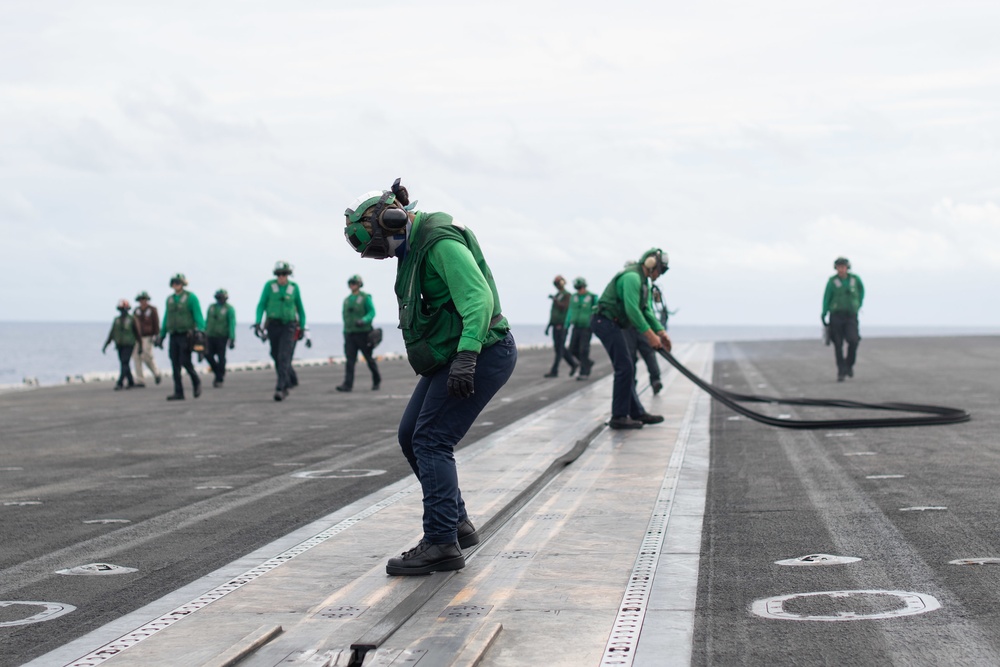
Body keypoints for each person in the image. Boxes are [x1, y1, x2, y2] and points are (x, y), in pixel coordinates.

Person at [343, 178, 516, 576]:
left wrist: (467, 357)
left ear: (390, 221)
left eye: (378, 247)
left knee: (432, 439)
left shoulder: (440, 243)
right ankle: (456, 523)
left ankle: (441, 542)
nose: (383, 256)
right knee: (411, 435)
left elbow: (478, 299)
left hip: (482, 350)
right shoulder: (414, 244)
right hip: (459, 353)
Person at [591, 248, 672, 429]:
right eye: (662, 269)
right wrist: (650, 335)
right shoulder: (632, 278)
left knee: (627, 366)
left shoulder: (644, 282)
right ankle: (619, 416)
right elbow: (632, 310)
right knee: (625, 367)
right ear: (651, 264)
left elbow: (645, 310)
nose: (661, 273)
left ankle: (636, 412)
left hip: (613, 323)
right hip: (604, 321)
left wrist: (660, 332)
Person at [255, 261, 306, 401]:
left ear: (288, 275)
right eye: (279, 274)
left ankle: (281, 388)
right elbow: (261, 305)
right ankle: (289, 379)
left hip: (289, 326)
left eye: (284, 274)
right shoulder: (269, 286)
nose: (281, 277)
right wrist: (258, 322)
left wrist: (302, 326)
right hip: (273, 325)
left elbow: (300, 309)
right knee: (275, 354)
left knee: (284, 356)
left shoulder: (294, 288)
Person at [158, 274, 205, 400]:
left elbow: (198, 315)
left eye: (178, 282)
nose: (176, 285)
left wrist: (201, 330)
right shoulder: (170, 299)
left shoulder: (191, 297)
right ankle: (178, 392)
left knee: (185, 361)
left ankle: (196, 381)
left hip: (186, 335)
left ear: (183, 283)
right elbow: (166, 317)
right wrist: (161, 335)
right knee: (174, 363)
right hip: (173, 335)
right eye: (174, 282)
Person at [336, 275, 382, 392]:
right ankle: (347, 384)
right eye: (351, 283)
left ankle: (377, 380)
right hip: (349, 334)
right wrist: (345, 332)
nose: (353, 285)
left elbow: (372, 312)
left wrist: (364, 320)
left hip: (363, 333)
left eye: (355, 283)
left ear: (359, 284)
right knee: (350, 361)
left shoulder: (365, 297)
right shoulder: (347, 300)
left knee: (368, 358)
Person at [822, 257, 864, 382]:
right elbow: (827, 297)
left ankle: (849, 364)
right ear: (836, 268)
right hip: (836, 316)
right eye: (839, 266)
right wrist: (824, 312)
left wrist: (858, 305)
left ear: (847, 267)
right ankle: (841, 371)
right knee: (838, 344)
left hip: (851, 315)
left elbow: (861, 292)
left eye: (843, 266)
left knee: (853, 340)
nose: (841, 269)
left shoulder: (854, 280)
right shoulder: (832, 281)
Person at [102, 299, 143, 391]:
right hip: (119, 345)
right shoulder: (116, 320)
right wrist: (106, 345)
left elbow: (138, 333)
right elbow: (112, 333)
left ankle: (120, 382)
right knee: (124, 363)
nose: (123, 311)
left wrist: (140, 346)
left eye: (124, 309)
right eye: (121, 309)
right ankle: (131, 381)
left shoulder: (132, 319)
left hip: (129, 344)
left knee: (124, 362)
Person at [564, 277, 596, 381]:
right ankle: (588, 363)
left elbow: (596, 311)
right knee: (572, 349)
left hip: (587, 327)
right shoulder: (574, 297)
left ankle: (584, 372)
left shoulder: (592, 297)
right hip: (576, 327)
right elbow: (570, 311)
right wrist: (566, 325)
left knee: (583, 350)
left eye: (580, 287)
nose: (579, 290)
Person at [543, 275, 576, 377]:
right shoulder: (558, 295)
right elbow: (554, 313)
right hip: (555, 325)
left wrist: (555, 300)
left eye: (558, 283)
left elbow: (564, 307)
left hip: (562, 325)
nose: (557, 286)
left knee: (560, 348)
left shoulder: (567, 295)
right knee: (559, 348)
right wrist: (549, 326)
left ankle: (554, 370)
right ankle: (574, 364)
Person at [205, 289, 236, 388]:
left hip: (222, 336)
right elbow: (207, 321)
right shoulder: (211, 308)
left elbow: (232, 324)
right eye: (218, 297)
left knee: (221, 357)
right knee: (207, 354)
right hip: (210, 336)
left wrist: (232, 338)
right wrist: (203, 333)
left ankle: (219, 377)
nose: (220, 299)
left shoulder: (229, 309)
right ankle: (218, 372)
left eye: (222, 297)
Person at [132, 291, 163, 386]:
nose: (142, 301)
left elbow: (156, 323)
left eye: (144, 299)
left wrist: (157, 335)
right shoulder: (136, 310)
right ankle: (140, 379)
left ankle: (156, 373)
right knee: (136, 357)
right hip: (137, 337)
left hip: (148, 336)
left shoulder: (152, 310)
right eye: (141, 299)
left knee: (147, 355)